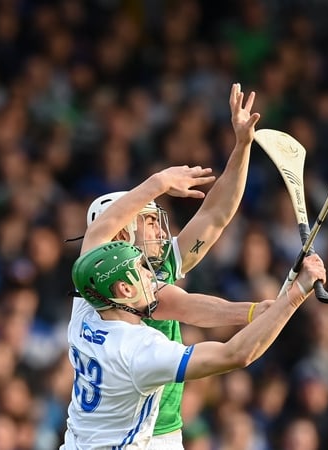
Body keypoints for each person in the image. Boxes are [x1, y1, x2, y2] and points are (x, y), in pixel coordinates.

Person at [70, 84, 281, 446]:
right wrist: (252, 312)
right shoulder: (118, 286)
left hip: (155, 425)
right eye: (146, 220)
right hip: (140, 432)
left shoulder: (115, 279)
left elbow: (216, 214)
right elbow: (186, 307)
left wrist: (242, 147)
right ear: (120, 235)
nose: (158, 227)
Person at [61, 186, 327, 449]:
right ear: (124, 289)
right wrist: (296, 295)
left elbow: (97, 235)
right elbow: (235, 354)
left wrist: (159, 181)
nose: (149, 276)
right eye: (141, 269)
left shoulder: (85, 307)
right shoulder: (140, 350)